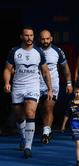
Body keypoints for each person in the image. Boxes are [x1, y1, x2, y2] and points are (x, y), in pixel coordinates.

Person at [3, 27, 53, 158]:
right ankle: (23, 136)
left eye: (31, 35)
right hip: (18, 87)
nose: (29, 38)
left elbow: (45, 71)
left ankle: (28, 147)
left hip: (33, 86)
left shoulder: (38, 52)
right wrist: (7, 83)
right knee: (19, 116)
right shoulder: (14, 51)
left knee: (30, 112)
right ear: (21, 37)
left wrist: (49, 88)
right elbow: (8, 69)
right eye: (26, 35)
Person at [39, 29, 73, 144]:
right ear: (40, 39)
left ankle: (46, 133)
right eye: (43, 39)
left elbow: (65, 68)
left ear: (51, 39)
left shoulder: (57, 51)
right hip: (36, 84)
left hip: (53, 84)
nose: (45, 41)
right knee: (41, 110)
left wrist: (69, 83)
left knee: (48, 107)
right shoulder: (35, 50)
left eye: (47, 38)